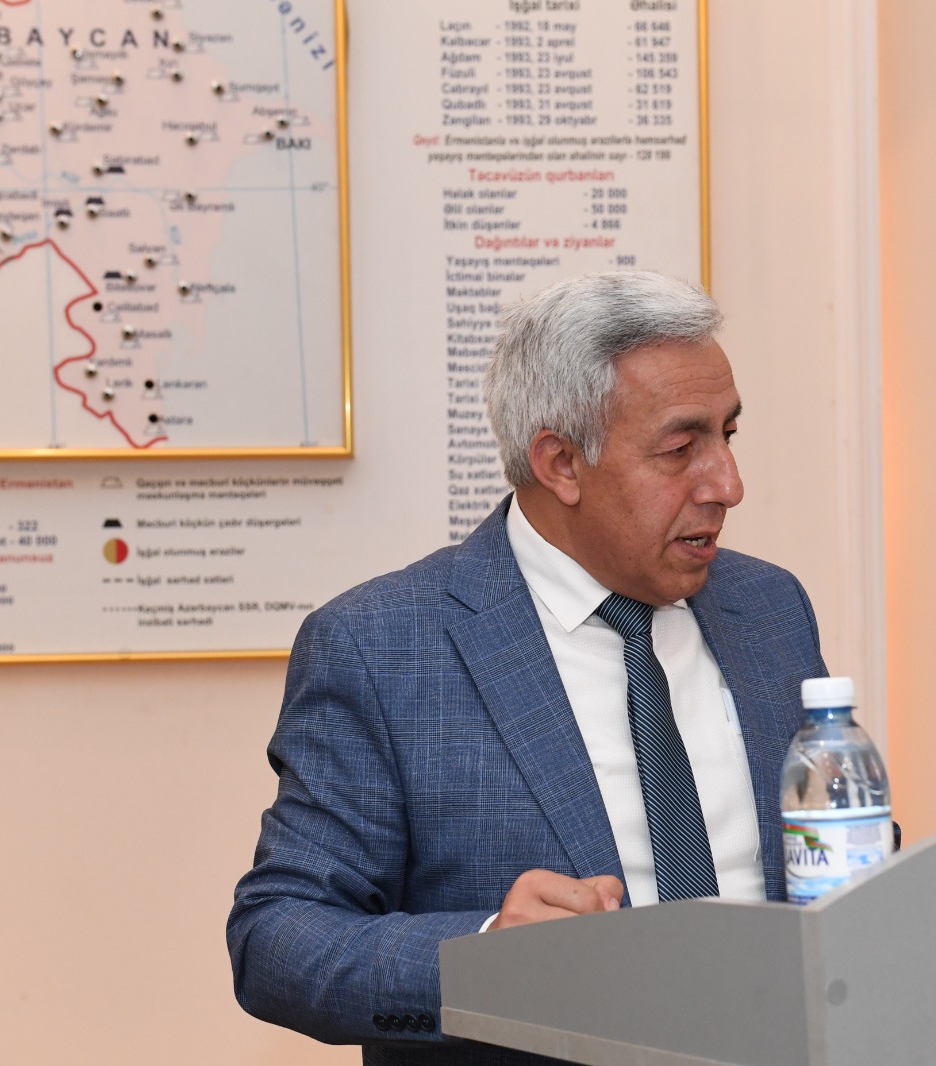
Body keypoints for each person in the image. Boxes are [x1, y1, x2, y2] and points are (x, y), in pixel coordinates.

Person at [227, 272, 829, 1065]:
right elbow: (276, 939)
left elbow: (833, 848)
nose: (728, 485)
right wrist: (487, 954)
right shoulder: (383, 648)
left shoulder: (770, 609)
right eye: (682, 449)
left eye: (729, 435)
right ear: (561, 464)